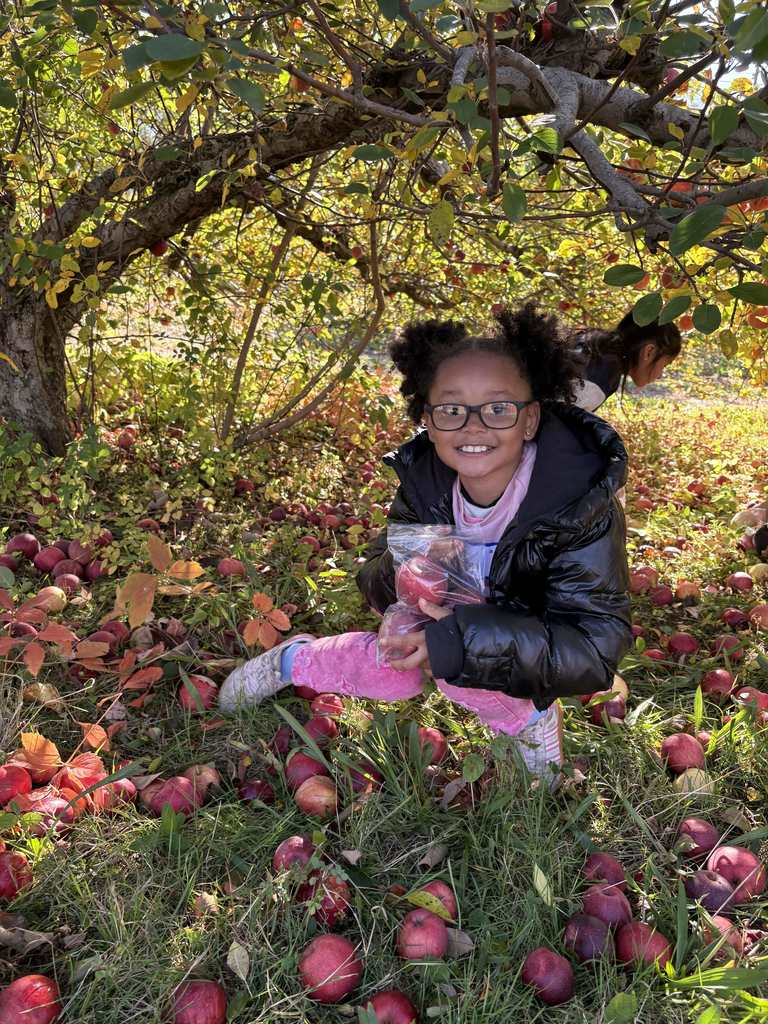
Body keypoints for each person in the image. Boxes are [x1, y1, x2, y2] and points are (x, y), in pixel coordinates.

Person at [219, 303, 633, 784]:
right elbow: (377, 567)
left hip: (517, 632)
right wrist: (402, 579)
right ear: (429, 422)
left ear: (530, 419)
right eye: (452, 410)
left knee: (463, 676)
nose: (473, 425)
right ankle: (292, 661)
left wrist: (458, 644)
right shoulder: (426, 483)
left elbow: (594, 644)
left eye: (499, 408)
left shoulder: (576, 504)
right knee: (389, 670)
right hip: (441, 615)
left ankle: (529, 720)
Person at [570, 312, 682, 413]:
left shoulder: (589, 343)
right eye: (664, 365)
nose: (659, 376)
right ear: (649, 352)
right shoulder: (603, 372)